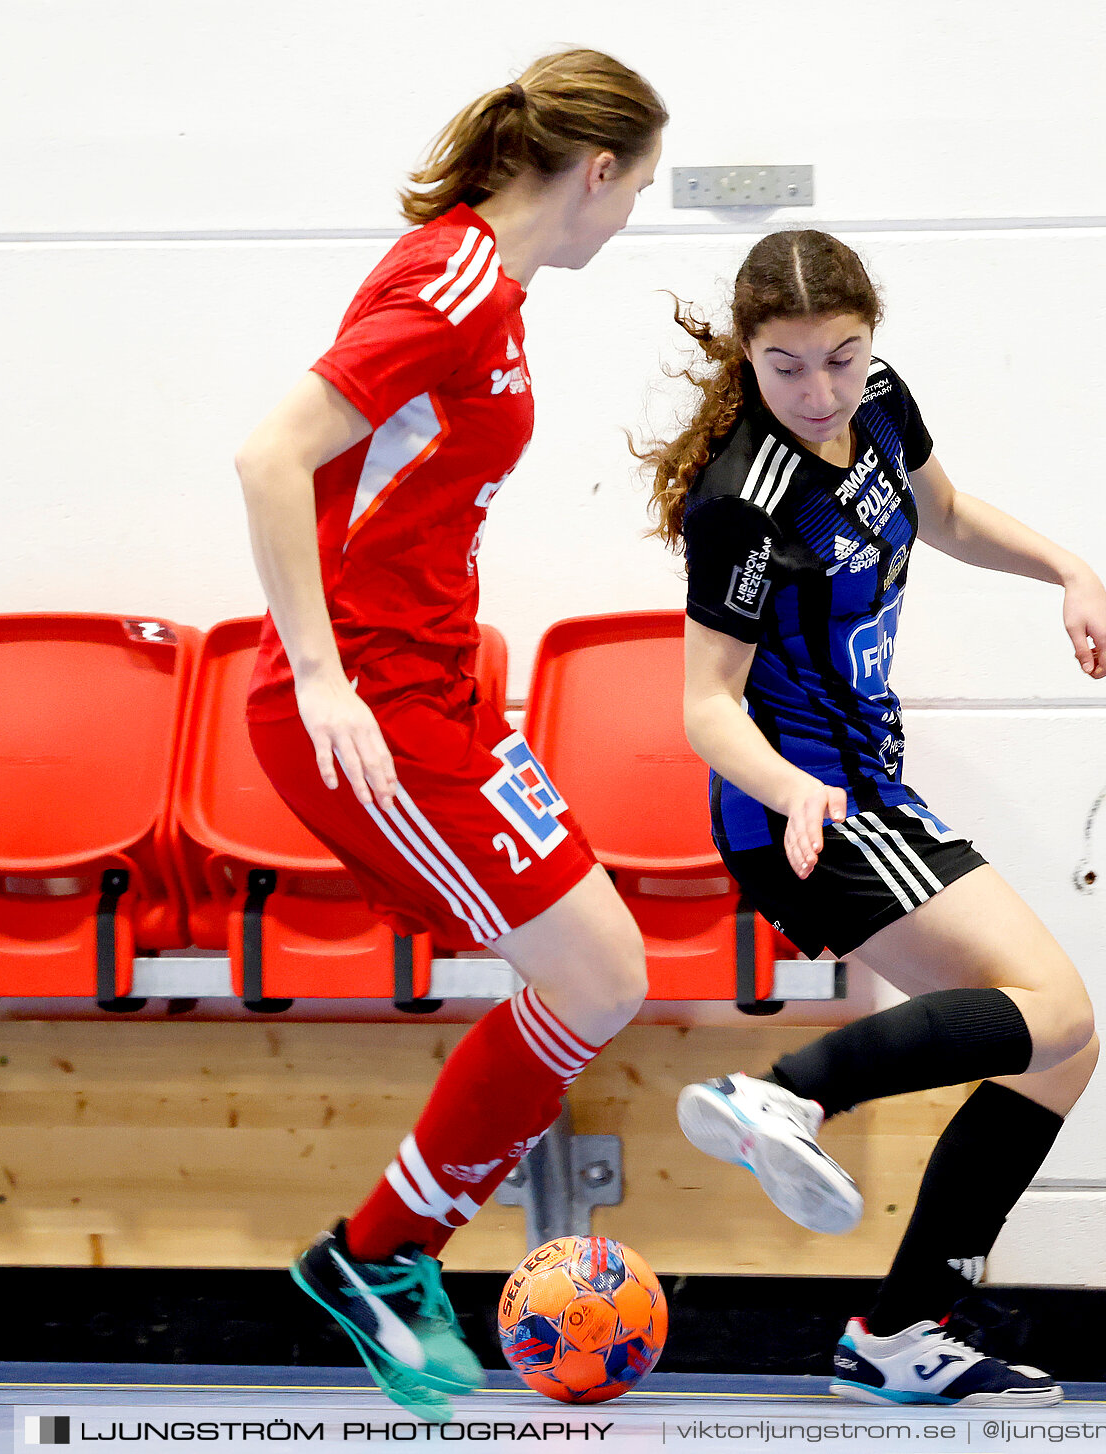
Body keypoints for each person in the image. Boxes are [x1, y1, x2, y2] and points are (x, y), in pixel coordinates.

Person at [235, 51, 667, 1421]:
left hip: (444, 692)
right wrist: (319, 675)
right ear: (594, 173)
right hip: (374, 706)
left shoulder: (493, 286)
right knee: (597, 971)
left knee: (604, 971)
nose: (631, 218)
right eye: (637, 190)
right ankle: (379, 1254)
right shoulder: (455, 283)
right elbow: (270, 455)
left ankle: (378, 1250)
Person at [641, 229, 1106, 1407]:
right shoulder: (745, 504)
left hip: (876, 790)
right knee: (1055, 1007)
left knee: (1063, 1048)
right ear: (747, 355)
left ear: (873, 342)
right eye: (787, 366)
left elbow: (944, 514)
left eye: (843, 358)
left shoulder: (883, 407)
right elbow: (705, 703)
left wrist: (1072, 569)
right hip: (798, 811)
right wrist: (794, 786)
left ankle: (901, 1328)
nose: (820, 391)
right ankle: (794, 1090)